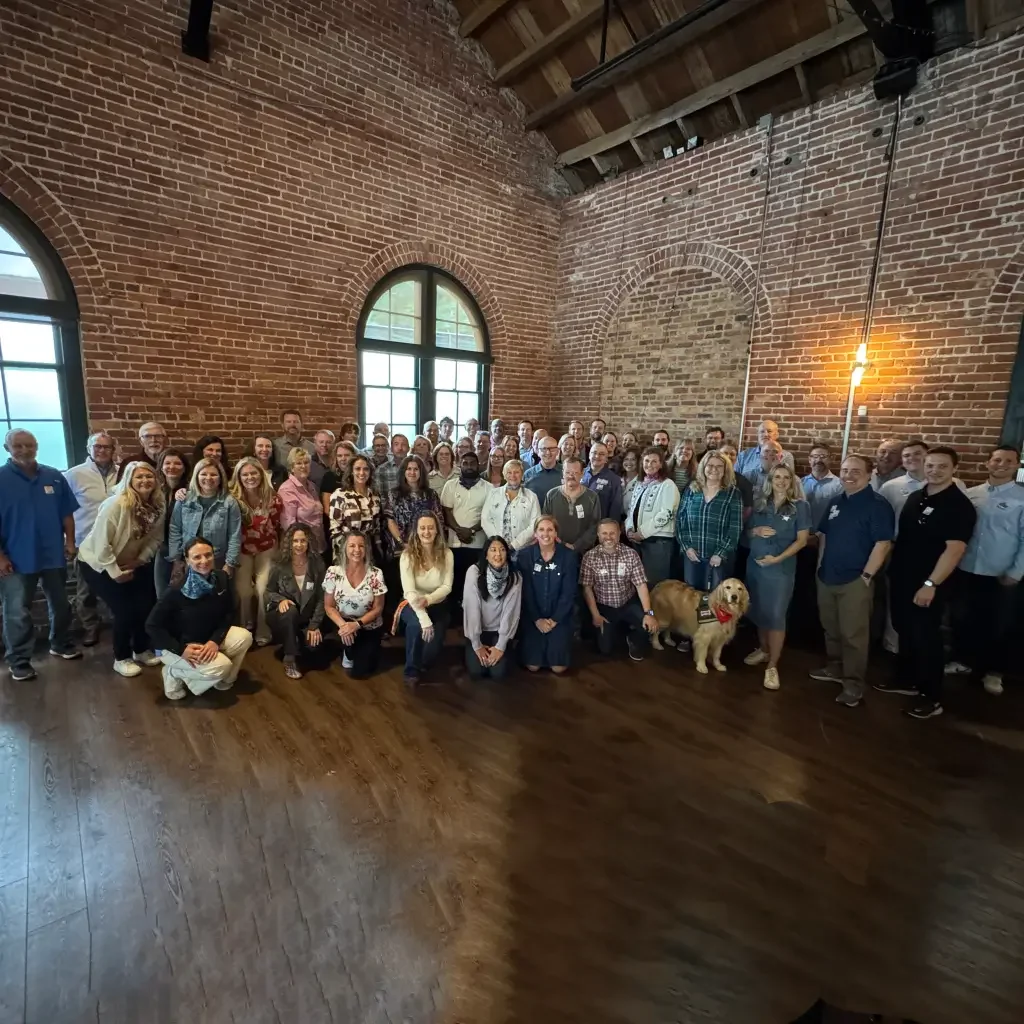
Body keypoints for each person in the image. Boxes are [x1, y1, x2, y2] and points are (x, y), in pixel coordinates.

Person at [873, 446, 976, 719]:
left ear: (954, 469)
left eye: (942, 466)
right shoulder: (917, 496)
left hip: (928, 584)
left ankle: (931, 697)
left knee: (926, 638)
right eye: (930, 465)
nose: (934, 470)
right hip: (902, 576)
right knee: (904, 629)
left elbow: (954, 550)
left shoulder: (958, 504)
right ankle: (906, 680)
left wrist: (931, 585)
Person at [811, 454, 895, 707]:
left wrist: (867, 576)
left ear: (870, 474)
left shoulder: (877, 505)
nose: (849, 475)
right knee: (831, 627)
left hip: (855, 580)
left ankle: (853, 683)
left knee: (853, 635)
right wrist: (819, 566)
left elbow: (883, 543)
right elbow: (824, 535)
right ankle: (834, 668)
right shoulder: (837, 501)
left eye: (856, 471)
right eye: (845, 470)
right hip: (827, 576)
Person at [0, 429, 81, 679]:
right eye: (18, 446)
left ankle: (60, 643)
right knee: (17, 611)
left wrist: (70, 542)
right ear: (7, 448)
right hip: (15, 557)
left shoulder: (53, 476)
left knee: (60, 603)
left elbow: (66, 513)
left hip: (52, 554)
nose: (25, 450)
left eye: (29, 445)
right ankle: (19, 660)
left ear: (37, 446)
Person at [945, 444, 1024, 696]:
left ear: (1016, 465)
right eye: (996, 460)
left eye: (1008, 461)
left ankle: (994, 672)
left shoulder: (1022, 498)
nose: (1001, 465)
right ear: (988, 463)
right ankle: (962, 661)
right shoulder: (971, 493)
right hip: (966, 567)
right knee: (962, 617)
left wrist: (1016, 571)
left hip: (1001, 572)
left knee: (1001, 623)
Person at [77, 462, 165, 677]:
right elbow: (100, 543)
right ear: (129, 480)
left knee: (145, 605)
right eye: (139, 477)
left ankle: (141, 649)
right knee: (124, 610)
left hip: (132, 561)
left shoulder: (158, 503)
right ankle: (121, 657)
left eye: (149, 476)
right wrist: (115, 572)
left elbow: (156, 538)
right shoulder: (116, 504)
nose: (145, 481)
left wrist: (139, 561)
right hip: (97, 563)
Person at [146, 536, 253, 699]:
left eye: (208, 555)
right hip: (178, 646)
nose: (204, 560)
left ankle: (221, 679)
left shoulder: (221, 578)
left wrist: (214, 641)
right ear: (187, 560)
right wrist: (181, 650)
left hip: (206, 639)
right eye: (197, 557)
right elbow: (152, 625)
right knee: (222, 666)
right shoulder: (175, 590)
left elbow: (229, 613)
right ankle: (173, 672)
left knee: (245, 637)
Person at [743, 465, 811, 690]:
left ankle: (772, 665)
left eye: (786, 478)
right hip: (755, 568)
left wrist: (777, 558)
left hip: (779, 570)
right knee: (758, 610)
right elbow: (745, 533)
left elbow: (801, 540)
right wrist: (755, 532)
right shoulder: (760, 505)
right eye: (777, 477)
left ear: (792, 482)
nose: (781, 481)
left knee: (776, 615)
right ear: (770, 480)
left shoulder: (800, 507)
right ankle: (763, 650)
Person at [64, 432, 119, 645]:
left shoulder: (123, 473)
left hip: (116, 541)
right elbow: (64, 510)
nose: (102, 451)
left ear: (113, 450)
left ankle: (120, 625)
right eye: (98, 447)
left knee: (117, 586)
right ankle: (90, 627)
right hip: (85, 542)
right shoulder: (74, 474)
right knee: (85, 591)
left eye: (107, 447)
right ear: (89, 449)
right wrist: (68, 540)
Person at [580, 519, 659, 662]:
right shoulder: (589, 557)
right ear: (598, 535)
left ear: (618, 534)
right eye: (604, 533)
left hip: (627, 603)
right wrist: (596, 615)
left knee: (647, 626)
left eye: (612, 533)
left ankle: (632, 637)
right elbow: (587, 589)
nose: (608, 537)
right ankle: (616, 631)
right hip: (604, 606)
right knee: (605, 649)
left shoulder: (631, 554)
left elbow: (641, 585)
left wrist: (649, 613)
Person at [230, 456, 282, 646]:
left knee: (263, 590)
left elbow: (277, 525)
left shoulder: (273, 497)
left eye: (254, 473)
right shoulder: (232, 498)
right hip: (241, 549)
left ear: (261, 474)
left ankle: (264, 629)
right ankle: (244, 630)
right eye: (245, 474)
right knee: (243, 591)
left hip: (266, 547)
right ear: (239, 476)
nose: (250, 477)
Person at [397, 513, 454, 687]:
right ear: (416, 531)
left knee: (429, 657)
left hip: (437, 603)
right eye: (422, 528)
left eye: (430, 527)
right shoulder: (407, 556)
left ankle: (420, 660)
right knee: (416, 626)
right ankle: (411, 670)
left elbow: (446, 587)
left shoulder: (447, 554)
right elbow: (409, 591)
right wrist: (424, 618)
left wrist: (428, 600)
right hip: (412, 603)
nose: (426, 532)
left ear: (437, 530)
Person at [516, 516, 578, 674]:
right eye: (541, 530)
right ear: (535, 533)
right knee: (533, 666)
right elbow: (525, 591)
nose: (546, 534)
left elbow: (568, 593)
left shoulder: (569, 556)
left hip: (559, 617)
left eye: (550, 529)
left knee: (558, 668)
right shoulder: (524, 556)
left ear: (556, 533)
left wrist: (554, 620)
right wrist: (537, 619)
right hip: (533, 616)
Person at [265, 523, 326, 679]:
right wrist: (280, 600)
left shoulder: (317, 565)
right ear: (289, 543)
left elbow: (322, 597)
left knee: (314, 648)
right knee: (290, 610)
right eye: (295, 541)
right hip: (282, 616)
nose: (299, 545)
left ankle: (297, 639)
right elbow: (268, 591)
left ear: (309, 542)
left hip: (305, 618)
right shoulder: (279, 564)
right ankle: (289, 658)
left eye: (303, 541)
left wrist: (314, 626)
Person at [323, 531, 387, 679]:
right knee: (353, 660)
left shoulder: (376, 574)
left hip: (369, 625)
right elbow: (328, 606)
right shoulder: (333, 572)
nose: (356, 550)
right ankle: (348, 649)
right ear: (345, 548)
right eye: (352, 545)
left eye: (361, 546)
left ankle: (362, 649)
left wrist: (356, 625)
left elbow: (378, 609)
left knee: (361, 672)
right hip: (343, 623)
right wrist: (344, 626)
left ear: (367, 550)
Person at [676, 450, 743, 590]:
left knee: (715, 600)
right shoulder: (692, 490)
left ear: (726, 470)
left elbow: (735, 528)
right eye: (710, 465)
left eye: (719, 466)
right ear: (703, 467)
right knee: (691, 598)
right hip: (692, 555)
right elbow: (680, 520)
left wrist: (720, 553)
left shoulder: (732, 493)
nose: (714, 469)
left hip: (718, 559)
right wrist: (686, 547)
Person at [168, 457, 242, 575]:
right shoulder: (184, 499)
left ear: (221, 478)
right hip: (188, 559)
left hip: (217, 560)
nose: (208, 478)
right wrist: (176, 560)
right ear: (197, 476)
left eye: (213, 474)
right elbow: (175, 529)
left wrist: (229, 564)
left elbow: (234, 535)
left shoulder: (229, 502)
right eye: (203, 474)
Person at [463, 536, 522, 680]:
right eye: (493, 550)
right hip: (478, 632)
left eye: (502, 550)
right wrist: (477, 644)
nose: (498, 554)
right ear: (486, 554)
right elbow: (472, 609)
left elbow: (511, 613)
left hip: (499, 632)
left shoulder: (515, 577)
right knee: (477, 671)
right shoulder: (474, 572)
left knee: (498, 673)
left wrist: (500, 646)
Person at [624, 447, 679, 587]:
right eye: (647, 461)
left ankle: (654, 610)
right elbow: (631, 511)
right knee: (639, 582)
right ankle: (643, 609)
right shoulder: (639, 484)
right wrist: (629, 529)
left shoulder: (667, 485)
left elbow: (665, 514)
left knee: (655, 583)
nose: (650, 464)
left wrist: (642, 533)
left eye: (654, 461)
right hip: (638, 540)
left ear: (661, 464)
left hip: (658, 542)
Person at [441, 451, 491, 593]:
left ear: (479, 465)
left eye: (472, 463)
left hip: (478, 545)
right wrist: (459, 530)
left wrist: (471, 531)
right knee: (455, 584)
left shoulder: (489, 488)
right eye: (465, 463)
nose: (469, 466)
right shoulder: (450, 485)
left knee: (475, 585)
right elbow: (446, 511)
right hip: (454, 544)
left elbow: (488, 515)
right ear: (459, 465)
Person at [383, 455, 444, 557]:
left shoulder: (431, 494)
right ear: (404, 472)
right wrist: (402, 543)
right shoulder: (393, 494)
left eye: (416, 469)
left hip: (427, 548)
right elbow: (390, 521)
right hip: (401, 548)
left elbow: (439, 521)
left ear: (421, 472)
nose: (412, 472)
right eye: (409, 469)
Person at [328, 454, 383, 561]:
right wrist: (344, 555)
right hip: (347, 551)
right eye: (357, 469)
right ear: (351, 471)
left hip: (369, 551)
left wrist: (378, 548)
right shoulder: (340, 495)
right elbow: (335, 531)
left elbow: (376, 528)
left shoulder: (375, 496)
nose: (362, 473)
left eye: (366, 469)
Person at [543, 456, 601, 554]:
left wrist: (576, 546)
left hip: (583, 552)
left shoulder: (592, 497)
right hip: (555, 550)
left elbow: (594, 526)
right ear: (563, 473)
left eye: (575, 473)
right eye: (568, 472)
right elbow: (545, 523)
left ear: (582, 474)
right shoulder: (551, 495)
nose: (571, 476)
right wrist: (559, 543)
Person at [480, 459, 541, 550]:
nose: (513, 476)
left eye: (516, 472)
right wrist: (499, 541)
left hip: (523, 549)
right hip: (497, 547)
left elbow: (535, 524)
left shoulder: (531, 497)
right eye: (509, 472)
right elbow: (485, 519)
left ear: (522, 474)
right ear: (504, 475)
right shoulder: (493, 494)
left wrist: (515, 544)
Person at [154, 448, 190, 598]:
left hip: (184, 549)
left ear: (184, 468)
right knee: (162, 594)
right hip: (161, 548)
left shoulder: (189, 491)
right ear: (161, 466)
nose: (172, 467)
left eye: (177, 463)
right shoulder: (156, 490)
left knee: (183, 594)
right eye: (167, 463)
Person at [278, 447, 326, 554]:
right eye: (298, 463)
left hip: (317, 546)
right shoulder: (287, 489)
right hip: (300, 548)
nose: (303, 466)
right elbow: (289, 525)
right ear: (292, 467)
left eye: (306, 462)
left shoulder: (312, 486)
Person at [801, 443, 844, 528]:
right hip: (801, 535)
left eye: (823, 456)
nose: (818, 460)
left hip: (827, 536)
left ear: (830, 459)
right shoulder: (800, 483)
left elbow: (840, 515)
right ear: (809, 459)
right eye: (815, 456)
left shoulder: (839, 485)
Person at [582, 441, 624, 521]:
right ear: (589, 455)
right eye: (594, 453)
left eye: (602, 454)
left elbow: (615, 509)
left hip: (600, 527)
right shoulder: (580, 473)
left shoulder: (614, 480)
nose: (597, 456)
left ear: (606, 458)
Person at [319, 440, 358, 517]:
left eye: (347, 455)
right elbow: (327, 509)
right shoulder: (329, 477)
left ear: (354, 456)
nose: (343, 458)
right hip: (336, 522)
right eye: (339, 456)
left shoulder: (360, 476)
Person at [524, 435, 562, 502]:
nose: (548, 452)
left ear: (557, 451)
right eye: (544, 449)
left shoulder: (566, 472)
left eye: (552, 449)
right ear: (538, 452)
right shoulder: (528, 474)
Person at [621, 448, 641, 518]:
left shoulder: (642, 482)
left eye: (633, 459)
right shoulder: (617, 479)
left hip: (633, 520)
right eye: (626, 459)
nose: (629, 462)